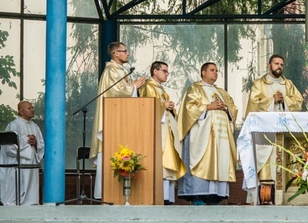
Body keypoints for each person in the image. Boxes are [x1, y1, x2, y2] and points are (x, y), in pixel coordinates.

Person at [89, 41, 147, 199]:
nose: (128, 53)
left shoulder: (120, 70)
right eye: (124, 51)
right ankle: (106, 193)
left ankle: (119, 195)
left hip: (120, 121)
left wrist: (134, 88)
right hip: (112, 121)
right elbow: (116, 92)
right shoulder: (112, 70)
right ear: (115, 54)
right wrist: (134, 86)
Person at [244, 54, 304, 203]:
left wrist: (285, 101)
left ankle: (282, 197)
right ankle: (263, 196)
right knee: (265, 160)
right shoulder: (259, 83)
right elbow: (253, 103)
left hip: (283, 130)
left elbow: (298, 101)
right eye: (276, 64)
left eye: (281, 64)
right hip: (264, 131)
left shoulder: (288, 84)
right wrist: (272, 101)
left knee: (281, 160)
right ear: (269, 66)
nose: (279, 67)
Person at [176, 62, 238, 205]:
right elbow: (188, 109)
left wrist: (226, 108)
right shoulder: (195, 89)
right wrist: (209, 107)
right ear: (203, 72)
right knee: (204, 160)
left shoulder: (222, 92)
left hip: (220, 139)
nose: (215, 73)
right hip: (203, 137)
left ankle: (216, 197)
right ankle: (199, 197)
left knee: (220, 161)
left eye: (216, 70)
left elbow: (233, 108)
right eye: (212, 70)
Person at [140, 60, 186, 204]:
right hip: (158, 132)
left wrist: (170, 108)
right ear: (155, 71)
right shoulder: (148, 86)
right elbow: (145, 107)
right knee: (162, 163)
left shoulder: (161, 90)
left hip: (167, 130)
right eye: (164, 71)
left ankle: (168, 197)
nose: (167, 74)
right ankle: (161, 197)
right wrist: (163, 105)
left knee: (169, 161)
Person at [0, 100, 45, 205]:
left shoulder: (35, 126)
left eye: (32, 107)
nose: (32, 110)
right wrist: (26, 140)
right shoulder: (14, 125)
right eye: (29, 108)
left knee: (31, 190)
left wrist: (35, 143)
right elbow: (9, 148)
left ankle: (31, 203)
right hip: (16, 161)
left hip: (31, 163)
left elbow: (41, 145)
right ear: (21, 112)